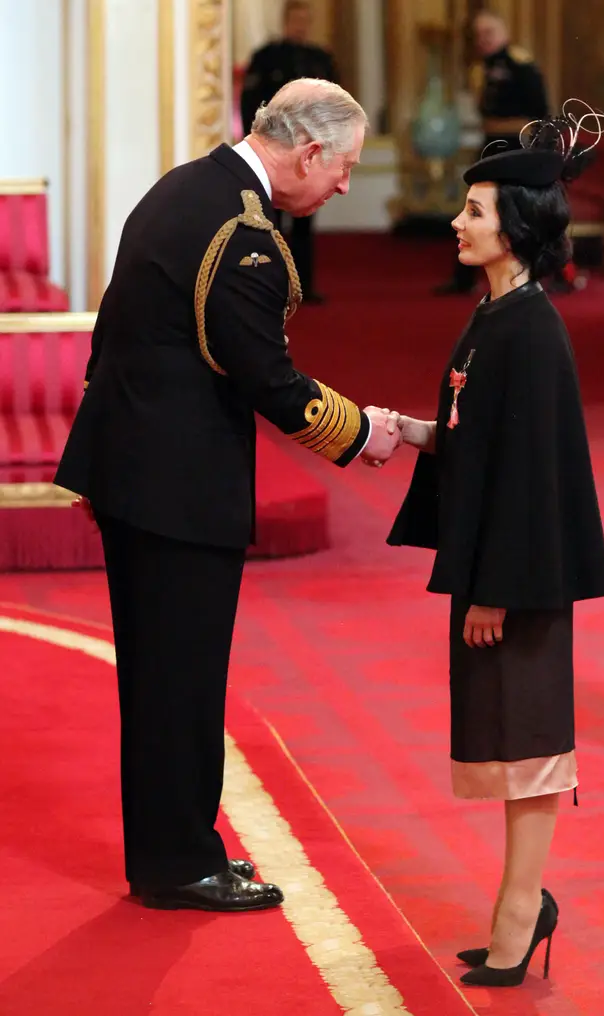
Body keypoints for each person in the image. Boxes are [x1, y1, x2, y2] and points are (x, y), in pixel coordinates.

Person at [55, 78, 401, 913]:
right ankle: (179, 865)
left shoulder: (188, 185)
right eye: (344, 168)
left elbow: (117, 326)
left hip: (137, 467)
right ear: (308, 151)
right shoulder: (241, 227)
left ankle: (171, 852)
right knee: (181, 679)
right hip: (178, 486)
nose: (345, 185)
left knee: (156, 677)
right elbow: (266, 377)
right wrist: (359, 433)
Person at [388, 108, 604, 986]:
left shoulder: (531, 331)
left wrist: (494, 592)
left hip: (518, 581)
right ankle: (524, 907)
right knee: (506, 744)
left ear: (515, 226)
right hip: (496, 571)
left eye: (475, 210)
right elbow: (474, 433)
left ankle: (520, 915)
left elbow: (530, 480)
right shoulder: (498, 316)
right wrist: (400, 430)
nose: (457, 221)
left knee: (529, 749)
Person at [434, 10, 550, 296]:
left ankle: (533, 275)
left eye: (489, 33)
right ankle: (463, 277)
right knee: (473, 207)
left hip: (516, 144)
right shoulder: (479, 67)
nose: (483, 40)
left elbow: (540, 110)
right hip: (489, 143)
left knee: (519, 211)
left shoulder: (520, 64)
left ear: (504, 33)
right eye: (479, 35)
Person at [241, 0, 338, 303]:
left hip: (310, 150)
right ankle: (271, 287)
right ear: (285, 21)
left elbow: (336, 105)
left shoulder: (320, 60)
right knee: (271, 220)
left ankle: (304, 286)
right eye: (295, 20)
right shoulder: (266, 58)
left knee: (305, 218)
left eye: (304, 20)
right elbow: (250, 103)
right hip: (275, 149)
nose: (300, 26)